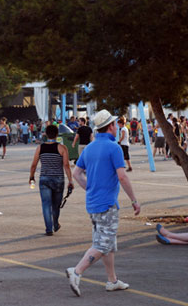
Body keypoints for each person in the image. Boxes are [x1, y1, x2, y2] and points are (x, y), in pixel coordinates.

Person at [66, 109, 140, 297]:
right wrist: (134, 200)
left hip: (92, 202)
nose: (117, 126)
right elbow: (122, 177)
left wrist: (90, 188)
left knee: (108, 243)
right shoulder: (114, 147)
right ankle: (76, 272)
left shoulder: (90, 147)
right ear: (111, 126)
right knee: (103, 243)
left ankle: (112, 280)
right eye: (115, 123)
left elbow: (76, 173)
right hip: (107, 204)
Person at [29, 125, 74, 236]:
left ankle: (49, 228)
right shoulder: (62, 148)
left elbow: (34, 164)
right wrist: (70, 180)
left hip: (44, 179)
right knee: (56, 204)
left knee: (45, 204)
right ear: (57, 134)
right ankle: (55, 223)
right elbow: (66, 165)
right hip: (58, 179)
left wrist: (31, 177)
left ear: (46, 134)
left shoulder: (40, 148)